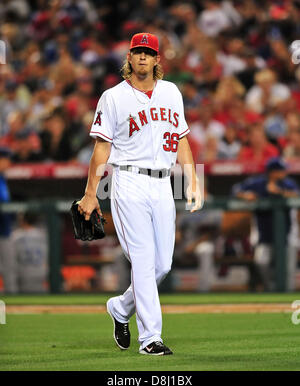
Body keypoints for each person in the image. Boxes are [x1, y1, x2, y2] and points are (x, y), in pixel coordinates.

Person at [77, 32, 202, 356]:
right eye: (138, 52)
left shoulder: (172, 92)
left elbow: (182, 139)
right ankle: (151, 339)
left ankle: (120, 308)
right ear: (129, 58)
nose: (143, 57)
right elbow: (101, 150)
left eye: (149, 52)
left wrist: (192, 179)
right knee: (144, 261)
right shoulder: (113, 97)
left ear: (157, 59)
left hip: (163, 182)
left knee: (163, 265)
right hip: (128, 180)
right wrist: (91, 194)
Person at [232, 157, 299, 291]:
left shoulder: (287, 184)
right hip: (264, 234)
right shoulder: (258, 183)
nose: (283, 173)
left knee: (289, 269)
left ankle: (287, 294)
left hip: (287, 234)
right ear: (271, 172)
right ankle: (271, 289)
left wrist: (280, 192)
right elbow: (235, 190)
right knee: (261, 262)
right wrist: (246, 195)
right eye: (279, 170)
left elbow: (297, 194)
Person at [12, 212, 48, 293]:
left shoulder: (16, 236)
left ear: (23, 220)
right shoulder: (43, 234)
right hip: (41, 274)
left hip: (24, 274)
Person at [0, 146, 17, 293]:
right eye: (5, 160)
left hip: (5, 231)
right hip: (2, 230)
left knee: (9, 268)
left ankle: (12, 298)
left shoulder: (3, 179)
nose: (8, 163)